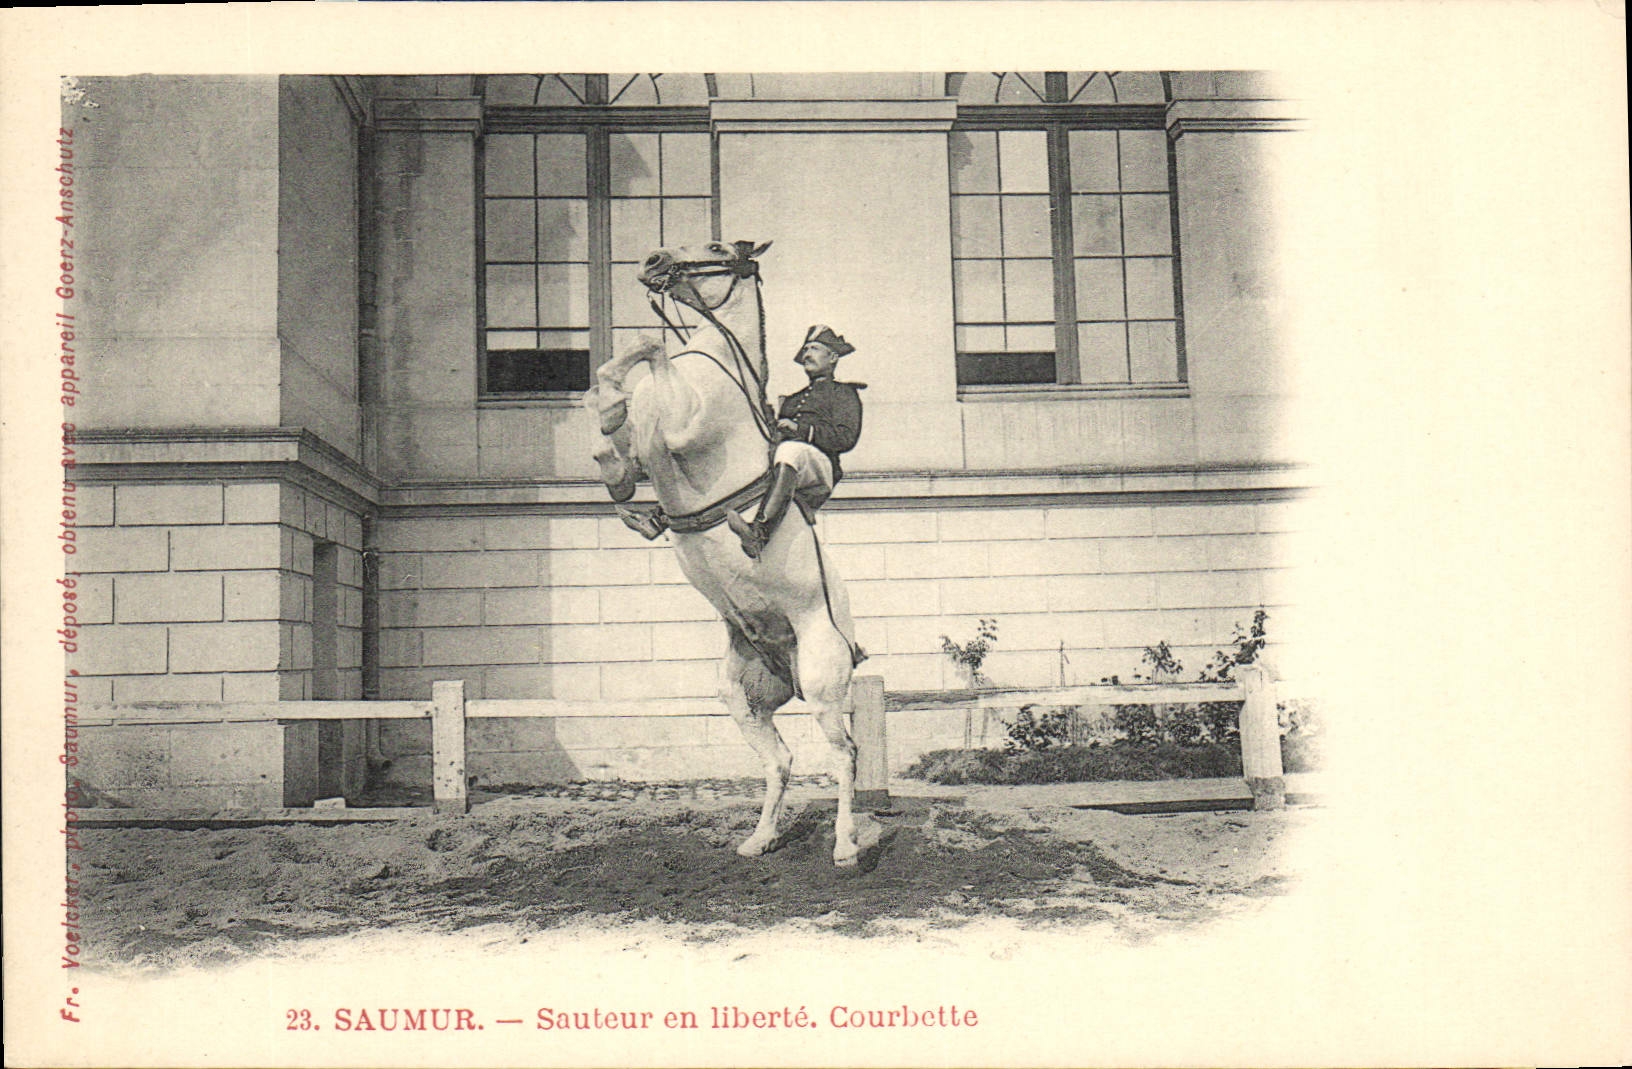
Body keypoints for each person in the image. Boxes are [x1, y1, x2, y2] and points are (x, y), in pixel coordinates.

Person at [727, 325, 865, 559]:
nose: (807, 354)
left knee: (791, 450)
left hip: (821, 468)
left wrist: (800, 430)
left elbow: (846, 438)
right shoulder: (792, 400)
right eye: (806, 349)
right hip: (792, 464)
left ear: (832, 357)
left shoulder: (844, 394)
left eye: (814, 348)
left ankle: (760, 531)